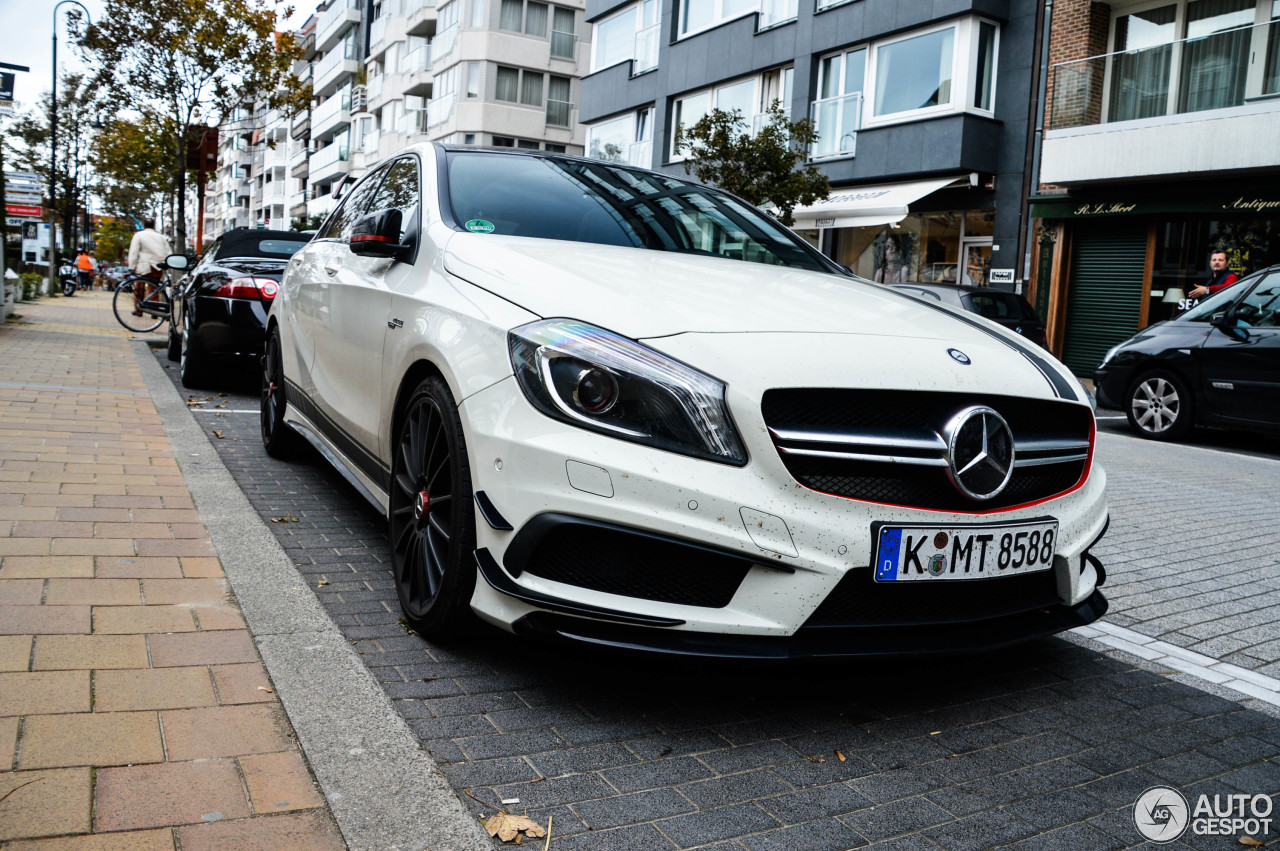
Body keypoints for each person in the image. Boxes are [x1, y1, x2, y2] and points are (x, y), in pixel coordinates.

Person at [126, 219, 172, 317]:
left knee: (139, 288)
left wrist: (131, 267)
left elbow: (134, 252)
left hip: (144, 265)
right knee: (154, 288)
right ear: (154, 226)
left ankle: (138, 310)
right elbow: (168, 252)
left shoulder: (139, 235)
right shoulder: (161, 237)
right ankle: (154, 311)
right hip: (157, 266)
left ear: (144, 225)